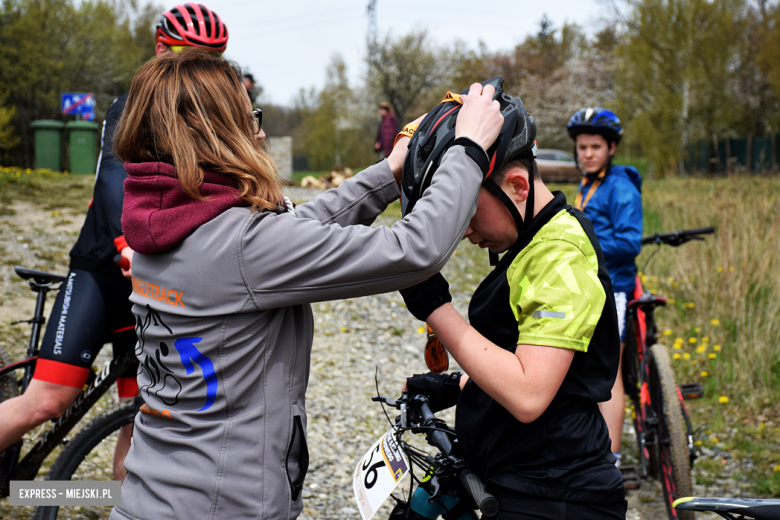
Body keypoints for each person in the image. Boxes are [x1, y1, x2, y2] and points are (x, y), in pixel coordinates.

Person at [107, 48, 503, 520]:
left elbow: (291, 231)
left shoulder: (166, 220)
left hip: (151, 494)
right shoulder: (242, 247)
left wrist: (390, 169)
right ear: (218, 134)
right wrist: (469, 149)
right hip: (220, 508)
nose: (259, 129)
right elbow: (415, 249)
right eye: (248, 115)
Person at [0, 3, 231, 482]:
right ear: (160, 47)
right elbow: (113, 183)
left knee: (145, 413)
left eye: (213, 60)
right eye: (191, 55)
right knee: (46, 402)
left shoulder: (215, 118)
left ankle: (124, 510)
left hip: (162, 283)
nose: (198, 71)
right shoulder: (132, 107)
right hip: (105, 271)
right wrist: (128, 245)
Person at [399, 83, 626, 519]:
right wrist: (459, 385)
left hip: (555, 495)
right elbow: (547, 367)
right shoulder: (532, 240)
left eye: (466, 212)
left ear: (517, 186)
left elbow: (528, 394)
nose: (462, 231)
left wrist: (435, 307)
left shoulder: (561, 254)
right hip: (514, 475)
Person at [566, 107, 643, 465]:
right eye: (582, 147)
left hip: (614, 288)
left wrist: (582, 244)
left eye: (595, 147)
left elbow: (630, 243)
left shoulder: (620, 186)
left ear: (611, 148)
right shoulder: (588, 184)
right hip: (589, 285)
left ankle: (609, 460)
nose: (587, 154)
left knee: (610, 374)